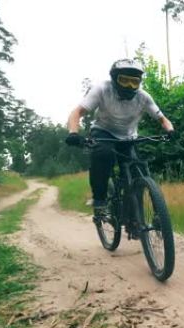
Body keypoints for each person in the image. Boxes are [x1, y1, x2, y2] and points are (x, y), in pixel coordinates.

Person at [65, 59, 174, 217]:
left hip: (128, 137)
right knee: (103, 155)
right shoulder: (102, 89)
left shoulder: (143, 97)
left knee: (140, 173)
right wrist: (73, 133)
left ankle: (135, 219)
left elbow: (163, 119)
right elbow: (77, 113)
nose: (129, 86)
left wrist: (170, 130)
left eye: (134, 82)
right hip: (104, 132)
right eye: (124, 80)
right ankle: (100, 200)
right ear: (114, 79)